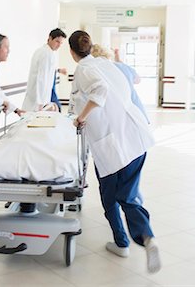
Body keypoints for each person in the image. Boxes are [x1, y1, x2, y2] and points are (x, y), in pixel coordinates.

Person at [69, 31, 161, 274]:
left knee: (114, 197)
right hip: (134, 139)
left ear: (71, 52)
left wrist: (80, 118)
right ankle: (136, 239)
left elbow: (99, 91)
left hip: (113, 147)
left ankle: (130, 240)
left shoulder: (84, 70)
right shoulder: (106, 64)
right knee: (126, 195)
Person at [91, 44, 149, 123]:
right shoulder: (122, 66)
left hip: (120, 114)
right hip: (137, 109)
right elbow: (137, 80)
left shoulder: (99, 71)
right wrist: (119, 61)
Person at [22, 28, 66, 111]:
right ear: (49, 38)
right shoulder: (46, 54)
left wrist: (59, 70)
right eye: (57, 41)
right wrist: (41, 102)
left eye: (61, 43)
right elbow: (42, 78)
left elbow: (48, 71)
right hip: (39, 99)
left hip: (39, 97)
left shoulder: (46, 52)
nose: (59, 45)